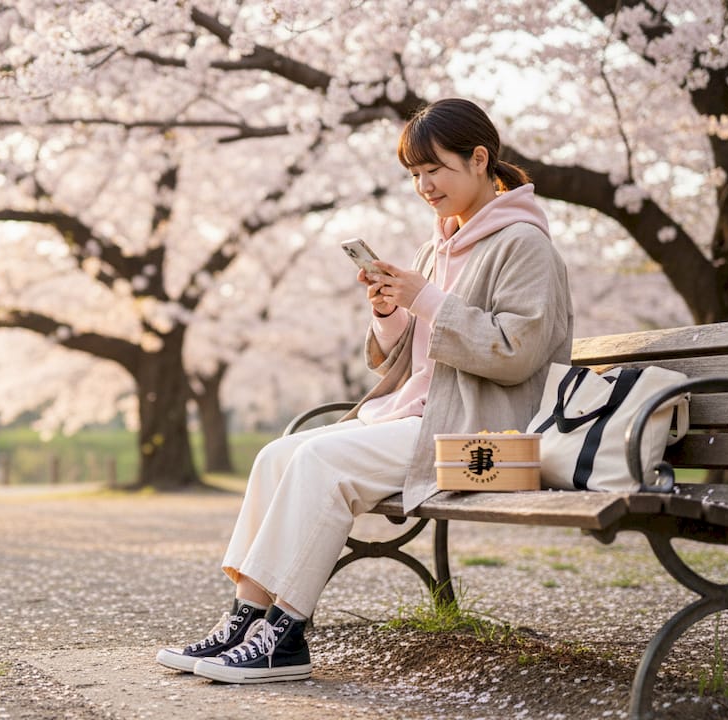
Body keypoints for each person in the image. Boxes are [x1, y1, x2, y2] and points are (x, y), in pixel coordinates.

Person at [156, 98, 574, 684]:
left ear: (480, 159)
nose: (425, 186)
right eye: (415, 174)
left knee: (319, 459)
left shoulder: (524, 243)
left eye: (436, 170)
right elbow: (416, 356)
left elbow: (516, 352)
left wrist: (424, 298)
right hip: (423, 415)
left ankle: (286, 635)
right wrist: (389, 314)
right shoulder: (439, 245)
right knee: (278, 454)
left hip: (481, 436)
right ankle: (246, 618)